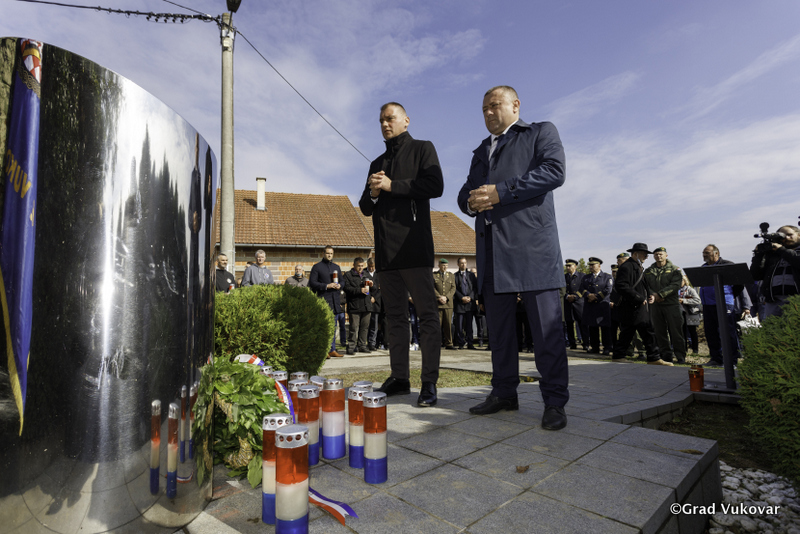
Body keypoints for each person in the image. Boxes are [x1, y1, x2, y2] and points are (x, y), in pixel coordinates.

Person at [457, 85, 569, 430]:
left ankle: (554, 402)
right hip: (492, 253)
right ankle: (504, 392)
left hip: (533, 251)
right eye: (484, 109)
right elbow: (465, 193)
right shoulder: (481, 150)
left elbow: (554, 171)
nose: (489, 113)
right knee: (501, 333)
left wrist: (501, 192)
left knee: (546, 332)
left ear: (515, 105)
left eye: (495, 105)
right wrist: (470, 202)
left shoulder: (540, 132)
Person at [358, 102, 443, 408]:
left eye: (390, 118)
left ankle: (429, 382)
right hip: (386, 252)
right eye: (381, 120)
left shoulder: (422, 149)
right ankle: (400, 377)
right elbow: (365, 207)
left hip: (414, 247)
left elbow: (435, 185)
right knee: (394, 317)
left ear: (406, 120)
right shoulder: (377, 162)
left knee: (427, 315)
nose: (385, 124)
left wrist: (393, 185)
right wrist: (374, 192)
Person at [611, 243, 673, 366]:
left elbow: (641, 286)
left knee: (629, 331)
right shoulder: (627, 267)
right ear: (636, 254)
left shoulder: (636, 266)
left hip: (637, 306)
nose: (646, 256)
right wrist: (639, 298)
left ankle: (619, 355)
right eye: (644, 254)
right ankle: (653, 357)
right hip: (632, 306)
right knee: (646, 330)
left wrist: (649, 295)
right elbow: (622, 286)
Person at [699, 244, 749, 367]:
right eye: (703, 253)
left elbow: (739, 284)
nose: (704, 255)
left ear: (716, 253)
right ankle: (716, 358)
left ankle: (731, 361)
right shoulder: (703, 267)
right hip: (708, 304)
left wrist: (730, 295)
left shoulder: (727, 265)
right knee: (711, 333)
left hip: (724, 304)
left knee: (727, 332)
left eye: (707, 253)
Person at [644, 247, 686, 364]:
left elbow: (675, 285)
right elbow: (645, 285)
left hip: (671, 304)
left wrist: (661, 294)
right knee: (659, 331)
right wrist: (654, 295)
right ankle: (666, 355)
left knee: (676, 331)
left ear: (666, 255)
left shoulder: (674, 269)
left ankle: (680, 355)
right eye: (656, 254)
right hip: (656, 305)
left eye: (661, 254)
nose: (658, 256)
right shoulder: (648, 271)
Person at [750, 225, 800, 318]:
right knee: (772, 326)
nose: (786, 238)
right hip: (774, 302)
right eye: (782, 236)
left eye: (789, 235)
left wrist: (781, 250)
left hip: (796, 300)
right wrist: (758, 255)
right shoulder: (774, 254)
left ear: (799, 235)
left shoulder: (783, 251)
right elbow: (756, 275)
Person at [309, 246, 345, 358]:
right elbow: (312, 283)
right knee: (324, 328)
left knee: (333, 328)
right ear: (323, 253)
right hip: (324, 301)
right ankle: (323, 351)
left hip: (335, 301)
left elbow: (343, 281)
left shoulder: (336, 267)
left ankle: (332, 350)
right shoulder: (317, 267)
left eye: (331, 253)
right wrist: (326, 286)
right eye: (328, 253)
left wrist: (340, 285)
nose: (329, 255)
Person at [579, 257, 613, 355]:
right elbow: (581, 288)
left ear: (599, 266)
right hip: (590, 306)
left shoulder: (607, 277)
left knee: (605, 328)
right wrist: (588, 295)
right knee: (592, 327)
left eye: (593, 265)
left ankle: (607, 348)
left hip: (602, 305)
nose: (591, 267)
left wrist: (596, 297)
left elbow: (608, 289)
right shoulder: (586, 277)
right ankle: (595, 347)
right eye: (590, 265)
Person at [343, 257, 372, 354]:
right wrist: (360, 290)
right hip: (354, 306)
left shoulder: (366, 274)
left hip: (366, 305)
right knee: (353, 327)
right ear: (354, 265)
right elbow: (347, 288)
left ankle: (362, 345)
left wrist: (372, 286)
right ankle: (351, 346)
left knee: (364, 327)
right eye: (358, 266)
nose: (360, 268)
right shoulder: (348, 275)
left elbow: (375, 288)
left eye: (362, 266)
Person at [453, 257, 478, 350]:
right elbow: (454, 289)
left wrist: (470, 297)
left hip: (469, 304)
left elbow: (475, 288)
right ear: (458, 264)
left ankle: (470, 343)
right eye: (462, 263)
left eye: (465, 263)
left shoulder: (471, 275)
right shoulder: (455, 276)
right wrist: (461, 297)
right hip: (460, 304)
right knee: (459, 325)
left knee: (469, 325)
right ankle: (461, 343)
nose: (464, 265)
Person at [434, 259, 457, 350]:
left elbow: (453, 288)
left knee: (448, 324)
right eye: (443, 265)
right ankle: (436, 343)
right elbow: (432, 287)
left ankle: (449, 343)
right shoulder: (434, 275)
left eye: (446, 265)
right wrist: (439, 297)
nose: (445, 267)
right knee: (437, 324)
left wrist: (446, 297)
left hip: (448, 304)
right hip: (438, 303)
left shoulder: (451, 275)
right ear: (439, 265)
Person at [563, 259, 586, 350]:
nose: (568, 267)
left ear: (575, 266)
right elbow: (562, 289)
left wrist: (576, 296)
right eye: (567, 266)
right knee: (569, 324)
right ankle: (572, 343)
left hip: (579, 303)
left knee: (582, 324)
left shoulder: (582, 276)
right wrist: (567, 296)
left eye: (570, 266)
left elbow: (583, 288)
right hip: (568, 303)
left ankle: (585, 343)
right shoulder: (564, 277)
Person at [678, 275, 702, 354]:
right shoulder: (677, 291)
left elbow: (698, 300)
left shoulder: (690, 290)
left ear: (685, 281)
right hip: (681, 313)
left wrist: (684, 300)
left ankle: (695, 350)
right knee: (683, 332)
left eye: (681, 280)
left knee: (692, 331)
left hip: (692, 313)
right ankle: (684, 349)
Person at [365, 258, 384, 350]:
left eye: (372, 267)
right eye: (369, 266)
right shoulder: (364, 273)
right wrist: (369, 297)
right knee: (366, 324)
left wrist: (375, 298)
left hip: (376, 303)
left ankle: (372, 343)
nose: (371, 268)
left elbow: (381, 289)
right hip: (366, 301)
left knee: (374, 325)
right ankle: (364, 342)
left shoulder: (379, 274)